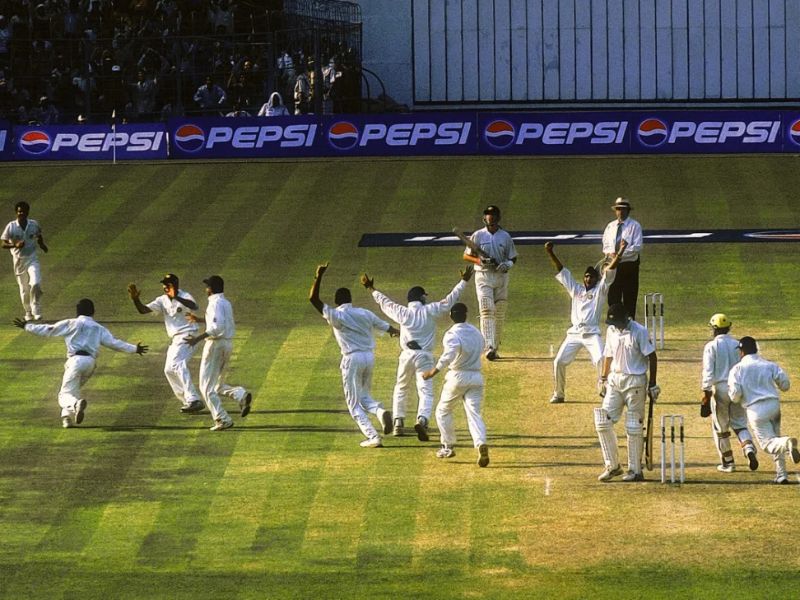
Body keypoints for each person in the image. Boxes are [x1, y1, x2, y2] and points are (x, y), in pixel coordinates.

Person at [362, 265, 473, 440]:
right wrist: (464, 281)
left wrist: (371, 288)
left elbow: (384, 302)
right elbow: (450, 300)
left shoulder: (402, 312)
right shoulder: (429, 310)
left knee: (401, 387)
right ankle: (422, 420)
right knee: (426, 391)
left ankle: (398, 422)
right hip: (424, 356)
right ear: (422, 297)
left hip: (406, 355)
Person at [13, 298, 148, 428]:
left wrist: (27, 326)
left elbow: (49, 329)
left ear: (77, 311)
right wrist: (135, 349)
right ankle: (66, 419)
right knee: (73, 389)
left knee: (64, 395)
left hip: (75, 361)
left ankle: (75, 405)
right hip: (90, 363)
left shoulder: (71, 323)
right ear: (93, 312)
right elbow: (114, 343)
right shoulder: (98, 328)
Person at [309, 262, 400, 447]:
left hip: (352, 359)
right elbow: (388, 328)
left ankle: (373, 437)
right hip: (369, 358)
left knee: (353, 404)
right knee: (364, 396)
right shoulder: (364, 313)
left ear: (336, 301)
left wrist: (319, 276)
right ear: (350, 299)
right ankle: (380, 412)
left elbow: (313, 299)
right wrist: (402, 333)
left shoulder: (336, 315)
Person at [544, 239, 626, 403]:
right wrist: (550, 252)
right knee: (558, 361)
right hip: (574, 333)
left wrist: (620, 252)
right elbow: (562, 270)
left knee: (601, 359)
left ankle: (605, 390)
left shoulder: (600, 290)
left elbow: (610, 271)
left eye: (592, 277)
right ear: (583, 279)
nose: (588, 279)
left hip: (591, 333)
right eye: (586, 276)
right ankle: (559, 394)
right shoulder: (576, 289)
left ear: (597, 279)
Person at [595, 303, 659, 482]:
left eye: (619, 322)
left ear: (627, 318)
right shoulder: (611, 331)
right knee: (602, 421)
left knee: (633, 426)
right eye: (614, 323)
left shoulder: (639, 331)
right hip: (615, 380)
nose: (617, 326)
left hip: (635, 382)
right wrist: (603, 378)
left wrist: (652, 383)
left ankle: (635, 470)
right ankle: (613, 466)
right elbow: (608, 355)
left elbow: (652, 357)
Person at [422, 303, 490, 467]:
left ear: (451, 316)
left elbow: (449, 355)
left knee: (442, 411)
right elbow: (482, 347)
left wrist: (433, 371)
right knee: (474, 413)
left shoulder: (452, 334)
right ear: (466, 315)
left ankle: (448, 446)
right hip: (476, 377)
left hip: (457, 377)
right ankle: (480, 443)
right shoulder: (476, 332)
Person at [127, 273, 204, 414]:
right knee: (168, 369)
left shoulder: (185, 295)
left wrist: (176, 297)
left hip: (189, 334)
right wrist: (136, 299)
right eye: (164, 284)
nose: (165, 287)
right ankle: (188, 401)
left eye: (168, 285)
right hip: (176, 339)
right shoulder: (162, 300)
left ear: (175, 285)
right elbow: (143, 310)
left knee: (177, 364)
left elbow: (194, 306)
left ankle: (194, 399)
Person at [727, 336, 800, 484]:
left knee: (768, 444)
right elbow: (785, 385)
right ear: (756, 349)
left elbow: (735, 396)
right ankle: (781, 475)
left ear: (741, 352)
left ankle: (787, 443)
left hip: (756, 410)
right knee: (775, 438)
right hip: (773, 405)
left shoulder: (737, 369)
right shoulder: (769, 364)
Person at [186, 275, 252, 431]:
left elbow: (217, 328)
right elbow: (220, 322)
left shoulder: (214, 303)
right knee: (217, 385)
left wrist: (197, 339)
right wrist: (200, 319)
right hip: (227, 344)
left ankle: (222, 419)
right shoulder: (225, 302)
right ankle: (240, 395)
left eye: (207, 286)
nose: (206, 289)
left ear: (211, 289)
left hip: (215, 346)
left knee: (206, 387)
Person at [700, 313, 758, 472]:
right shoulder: (737, 345)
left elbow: (708, 372)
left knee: (720, 428)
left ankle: (728, 462)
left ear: (714, 329)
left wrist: (706, 395)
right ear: (728, 328)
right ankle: (749, 449)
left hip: (720, 389)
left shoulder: (711, 346)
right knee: (740, 423)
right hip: (737, 388)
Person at [462, 205, 517, 360]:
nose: (490, 217)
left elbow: (513, 257)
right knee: (486, 310)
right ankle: (489, 347)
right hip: (483, 276)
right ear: (484, 218)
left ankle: (496, 346)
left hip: (501, 276)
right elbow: (466, 256)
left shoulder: (505, 236)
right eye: (487, 214)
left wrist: (508, 264)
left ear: (498, 218)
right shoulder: (478, 235)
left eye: (493, 215)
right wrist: (480, 261)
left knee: (499, 312)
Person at [2, 201, 48, 321]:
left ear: (27, 212)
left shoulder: (34, 224)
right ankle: (28, 312)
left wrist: (42, 245)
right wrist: (15, 245)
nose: (21, 213)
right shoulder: (11, 226)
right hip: (19, 261)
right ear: (16, 213)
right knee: (24, 289)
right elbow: (3, 244)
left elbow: (38, 235)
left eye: (23, 211)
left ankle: (36, 309)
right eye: (19, 212)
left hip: (32, 258)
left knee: (35, 283)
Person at [601, 197, 643, 320]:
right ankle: (615, 323)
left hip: (629, 266)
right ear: (615, 210)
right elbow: (606, 245)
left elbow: (637, 247)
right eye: (618, 209)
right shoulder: (610, 226)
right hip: (613, 266)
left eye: (623, 209)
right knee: (613, 297)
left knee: (630, 297)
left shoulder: (635, 226)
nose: (620, 211)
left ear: (628, 211)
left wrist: (620, 255)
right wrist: (611, 254)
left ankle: (630, 325)